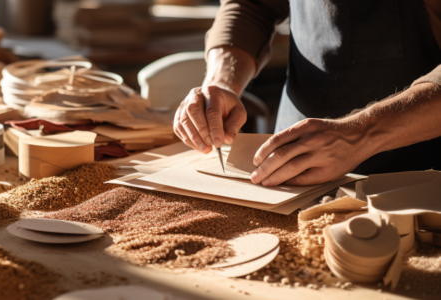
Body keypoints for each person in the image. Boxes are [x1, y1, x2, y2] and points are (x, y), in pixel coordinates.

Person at [174, 0, 441, 186]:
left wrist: (363, 133)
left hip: (421, 171)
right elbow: (252, 5)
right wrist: (221, 81)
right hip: (289, 164)